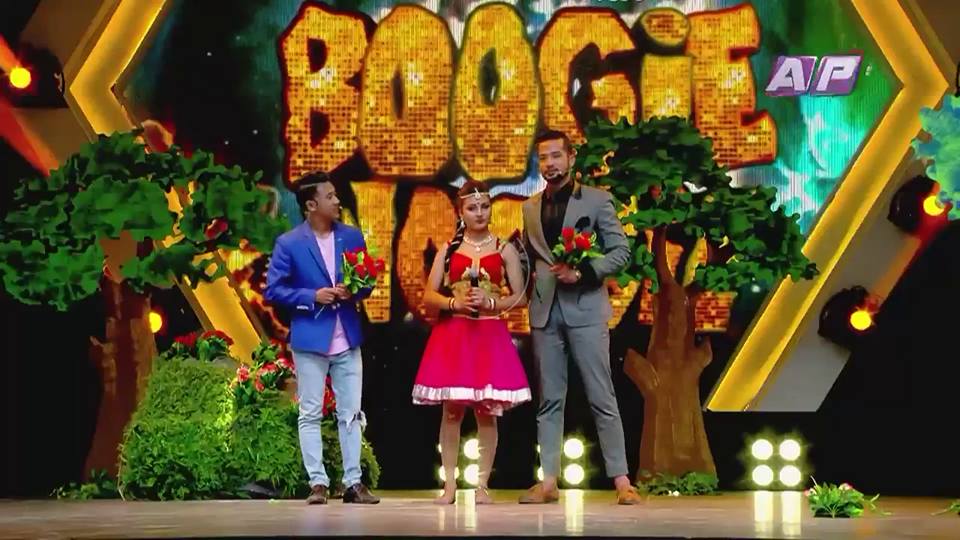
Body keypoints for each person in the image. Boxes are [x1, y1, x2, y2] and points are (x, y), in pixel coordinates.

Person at [519, 130, 641, 505]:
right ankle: (548, 481)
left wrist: (584, 271)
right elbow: (531, 259)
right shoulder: (529, 207)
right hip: (545, 311)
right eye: (543, 158)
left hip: (586, 307)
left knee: (601, 395)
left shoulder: (597, 200)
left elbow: (621, 252)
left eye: (556, 155)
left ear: (571, 158)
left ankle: (622, 481)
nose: (550, 163)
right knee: (549, 399)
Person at [412, 180, 532, 505]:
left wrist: (492, 302)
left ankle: (481, 486)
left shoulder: (504, 248)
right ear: (460, 212)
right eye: (472, 207)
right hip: (454, 336)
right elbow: (428, 295)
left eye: (484, 206)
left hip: (489, 335)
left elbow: (520, 297)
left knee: (487, 412)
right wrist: (454, 303)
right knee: (451, 412)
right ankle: (449, 485)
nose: (480, 213)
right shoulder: (449, 250)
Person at [264, 171, 380, 505]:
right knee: (311, 412)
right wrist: (311, 296)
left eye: (336, 195)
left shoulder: (351, 237)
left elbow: (367, 281)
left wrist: (353, 290)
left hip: (347, 336)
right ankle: (318, 483)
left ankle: (353, 483)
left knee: (351, 413)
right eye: (330, 196)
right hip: (311, 338)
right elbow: (274, 290)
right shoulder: (289, 243)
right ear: (311, 205)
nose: (337, 201)